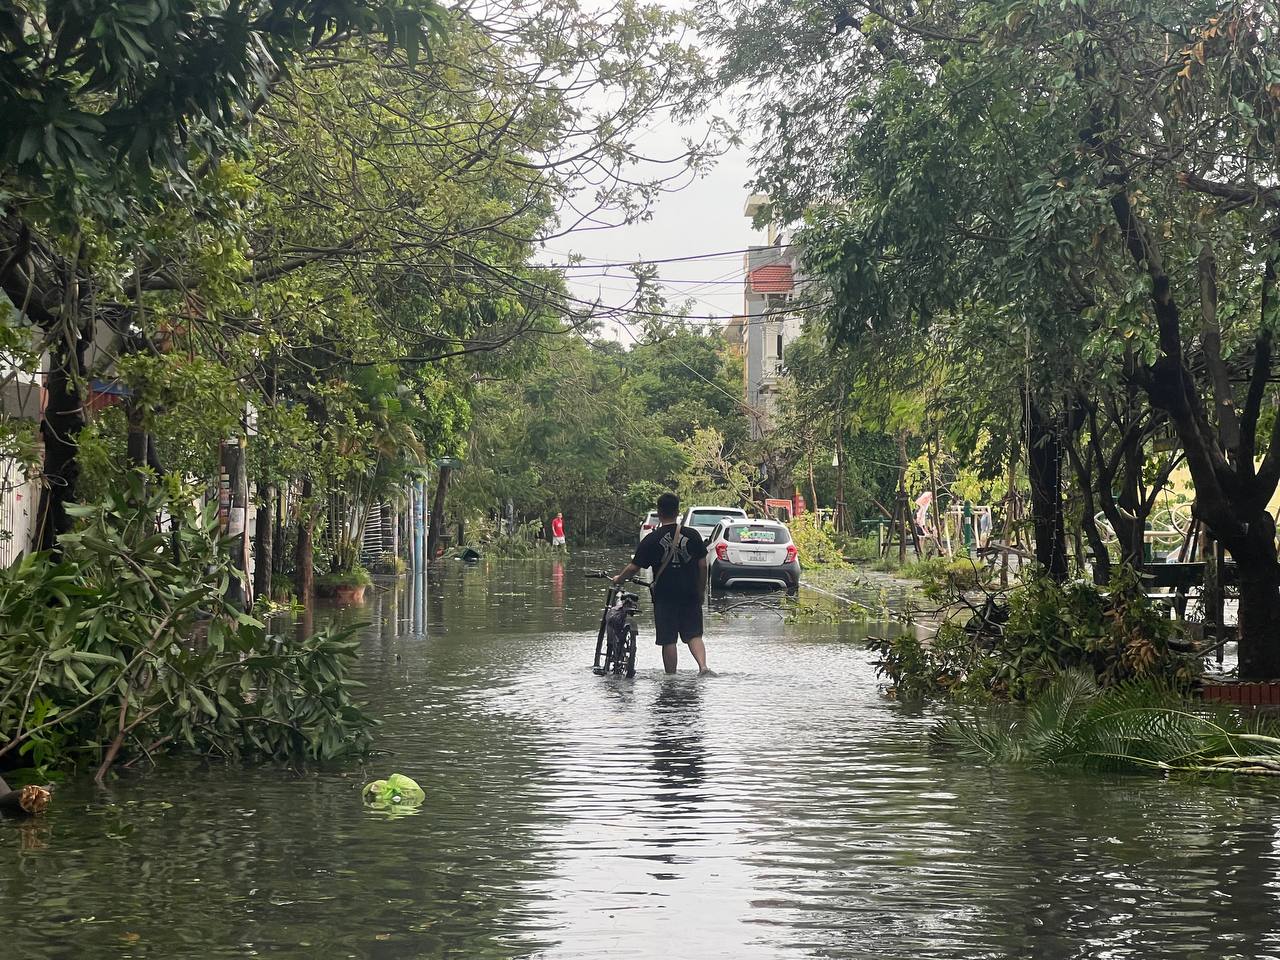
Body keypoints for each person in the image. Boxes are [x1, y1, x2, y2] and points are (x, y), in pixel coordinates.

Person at [612, 492, 711, 675]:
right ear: (678, 510)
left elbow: (634, 567)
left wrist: (619, 579)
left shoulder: (651, 539)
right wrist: (700, 590)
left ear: (659, 512)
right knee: (694, 634)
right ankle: (703, 667)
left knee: (668, 639)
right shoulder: (693, 535)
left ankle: (671, 677)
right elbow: (703, 565)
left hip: (665, 595)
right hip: (690, 592)